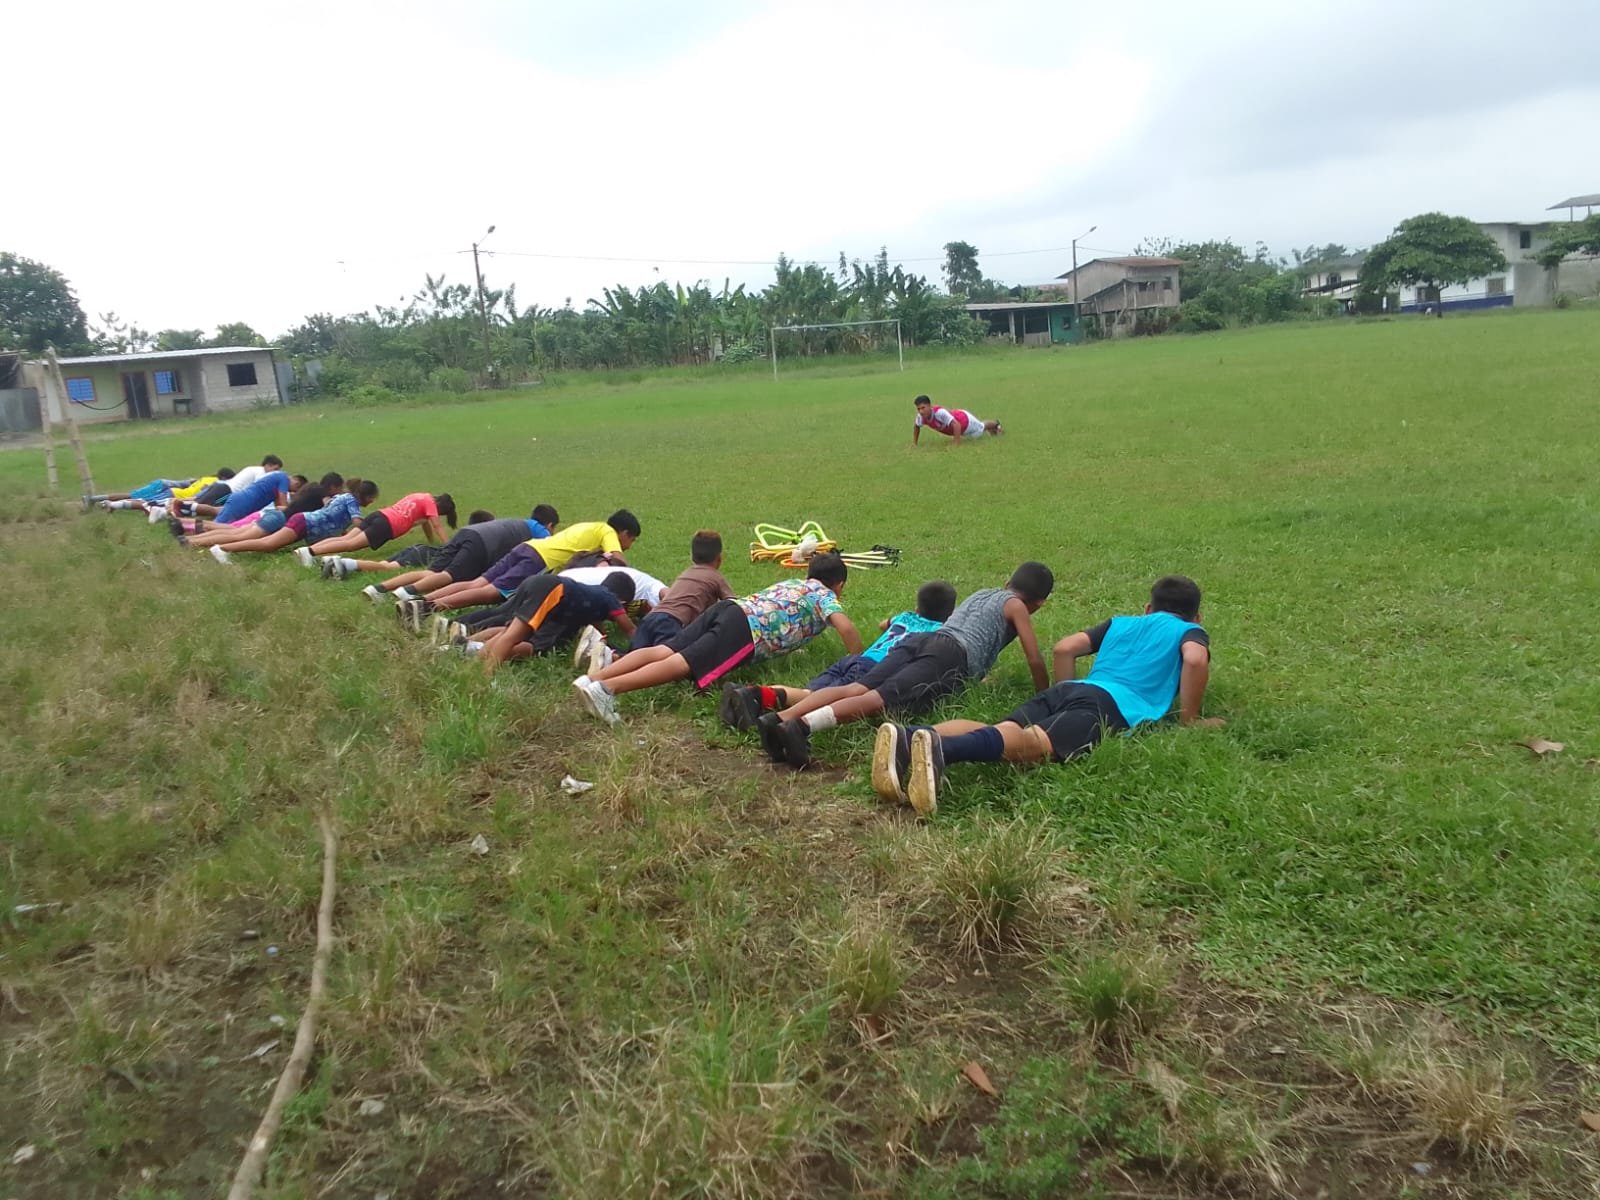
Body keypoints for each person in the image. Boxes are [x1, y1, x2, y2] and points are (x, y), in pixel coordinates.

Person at [872, 575, 1220, 815]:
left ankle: (909, 737)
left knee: (1004, 731)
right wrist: (1189, 719)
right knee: (1033, 746)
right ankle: (942, 750)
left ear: (1147, 608)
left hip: (1071, 689)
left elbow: (1065, 648)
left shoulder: (1121, 622)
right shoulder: (1190, 631)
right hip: (1111, 705)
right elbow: (1194, 658)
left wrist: (1060, 691)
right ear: (1197, 617)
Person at [756, 561, 1053, 769]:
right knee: (877, 700)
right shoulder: (1016, 605)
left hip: (924, 639)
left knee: (857, 687)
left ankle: (780, 718)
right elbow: (1034, 657)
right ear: (1038, 604)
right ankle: (802, 727)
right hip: (948, 654)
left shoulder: (983, 593)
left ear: (1007, 582)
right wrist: (1046, 697)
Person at [572, 551, 861, 726]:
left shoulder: (795, 583)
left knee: (664, 650)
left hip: (730, 609)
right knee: (681, 663)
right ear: (839, 585)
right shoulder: (825, 595)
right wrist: (858, 660)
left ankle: (593, 679)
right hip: (745, 629)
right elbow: (846, 628)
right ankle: (607, 689)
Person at [718, 579, 957, 730]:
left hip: (855, 659)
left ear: (917, 608)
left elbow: (883, 624)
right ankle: (761, 701)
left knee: (810, 694)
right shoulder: (939, 632)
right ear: (950, 614)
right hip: (873, 670)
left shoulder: (905, 616)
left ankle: (756, 694)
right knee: (824, 698)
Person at [410, 510, 640, 618]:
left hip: (528, 547)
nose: (630, 545)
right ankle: (428, 608)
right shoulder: (608, 532)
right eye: (632, 540)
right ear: (624, 533)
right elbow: (617, 561)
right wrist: (636, 582)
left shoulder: (591, 525)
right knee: (491, 593)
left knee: (476, 583)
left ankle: (421, 601)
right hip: (539, 560)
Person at [361, 505, 559, 601]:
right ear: (550, 525)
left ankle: (378, 589)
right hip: (481, 543)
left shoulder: (519, 523)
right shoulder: (542, 532)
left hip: (468, 532)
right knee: (449, 576)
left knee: (432, 572)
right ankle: (408, 593)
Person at [474, 572, 640, 676]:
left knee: (513, 633)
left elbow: (599, 634)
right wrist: (639, 650)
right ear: (623, 601)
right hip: (554, 589)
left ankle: (476, 658)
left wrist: (609, 646)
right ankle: (486, 674)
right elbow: (630, 629)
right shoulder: (611, 598)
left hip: (541, 584)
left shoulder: (594, 598)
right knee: (513, 636)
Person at [201, 480, 379, 561]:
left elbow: (332, 518)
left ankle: (221, 547)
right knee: (267, 544)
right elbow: (358, 522)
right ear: (365, 495)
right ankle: (221, 548)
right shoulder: (351, 501)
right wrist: (374, 526)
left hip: (305, 523)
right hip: (304, 522)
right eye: (372, 498)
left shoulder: (343, 497)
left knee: (269, 544)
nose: (372, 502)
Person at [182, 473, 346, 548]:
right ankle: (190, 541)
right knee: (236, 536)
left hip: (275, 515)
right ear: (332, 487)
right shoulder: (322, 493)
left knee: (234, 532)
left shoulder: (311, 488)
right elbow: (328, 510)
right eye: (339, 489)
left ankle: (188, 539)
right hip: (277, 519)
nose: (339, 492)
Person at [320, 510, 495, 579]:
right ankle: (344, 563)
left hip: (417, 549)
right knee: (386, 567)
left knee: (382, 565)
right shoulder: (474, 543)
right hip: (421, 554)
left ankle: (336, 562)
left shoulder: (464, 535)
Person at [296, 492, 456, 563]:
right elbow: (437, 526)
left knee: (346, 538)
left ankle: (308, 550)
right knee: (350, 545)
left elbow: (427, 523)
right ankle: (311, 553)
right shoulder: (431, 505)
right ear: (440, 508)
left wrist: (431, 541)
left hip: (379, 514)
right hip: (387, 525)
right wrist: (448, 547)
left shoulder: (421, 496)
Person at [912, 395, 1001, 446]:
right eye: (918, 409)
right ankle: (992, 430)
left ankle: (996, 424)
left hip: (965, 420)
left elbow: (956, 425)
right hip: (960, 427)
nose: (921, 411)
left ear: (930, 406)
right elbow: (916, 426)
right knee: (974, 436)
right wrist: (915, 443)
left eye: (923, 408)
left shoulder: (939, 413)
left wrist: (956, 444)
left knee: (981, 427)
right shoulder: (921, 417)